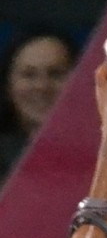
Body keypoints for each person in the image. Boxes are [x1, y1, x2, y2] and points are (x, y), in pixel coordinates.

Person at [0, 27, 76, 183]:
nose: (42, 86)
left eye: (55, 74)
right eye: (29, 75)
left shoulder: (106, 160)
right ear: (8, 86)